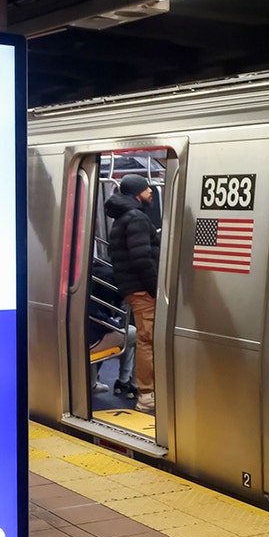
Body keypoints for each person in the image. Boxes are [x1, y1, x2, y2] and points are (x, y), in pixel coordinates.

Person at [105, 174, 159, 413]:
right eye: (146, 188)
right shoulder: (136, 217)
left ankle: (148, 389)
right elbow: (141, 258)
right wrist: (156, 289)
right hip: (142, 289)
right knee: (147, 340)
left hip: (132, 288)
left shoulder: (122, 218)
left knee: (147, 339)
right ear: (137, 192)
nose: (150, 191)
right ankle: (147, 394)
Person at [86, 263, 136, 398]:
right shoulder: (104, 289)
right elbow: (102, 322)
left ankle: (93, 383)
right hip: (93, 341)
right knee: (134, 333)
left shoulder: (85, 289)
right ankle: (132, 384)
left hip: (85, 338)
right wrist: (116, 323)